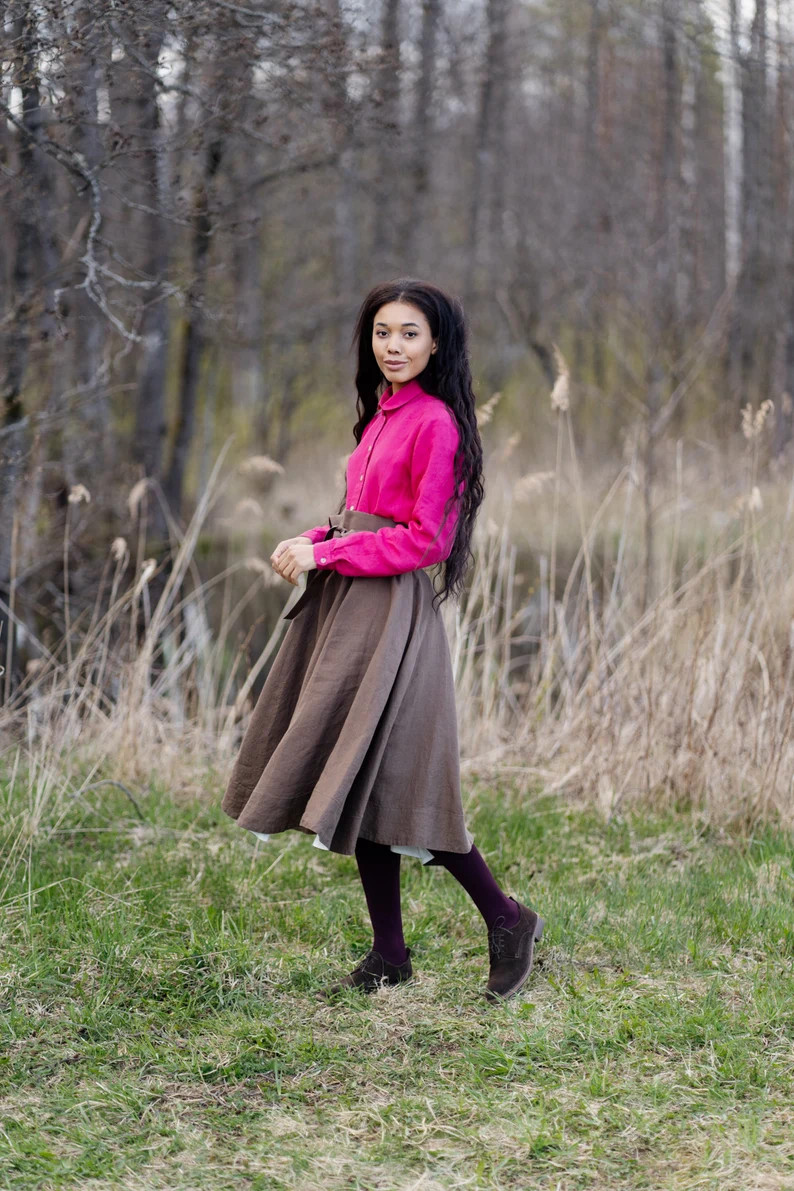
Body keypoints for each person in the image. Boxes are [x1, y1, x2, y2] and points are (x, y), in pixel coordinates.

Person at [221, 278, 543, 1003]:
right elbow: (359, 517)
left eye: (409, 334)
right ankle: (390, 953)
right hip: (351, 607)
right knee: (359, 774)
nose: (393, 346)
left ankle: (508, 917)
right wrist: (308, 539)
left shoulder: (437, 423)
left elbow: (424, 539)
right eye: (382, 333)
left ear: (437, 344)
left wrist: (328, 556)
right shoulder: (380, 418)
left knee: (405, 780)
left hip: (390, 616)